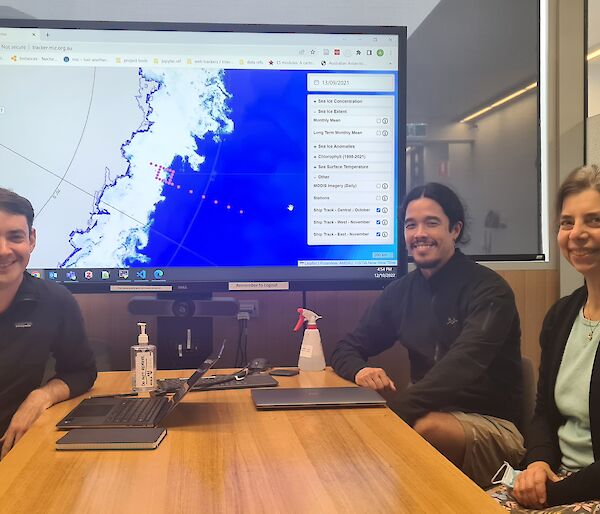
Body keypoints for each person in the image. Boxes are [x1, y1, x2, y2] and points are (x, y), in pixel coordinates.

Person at [331, 182, 525, 487]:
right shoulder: (401, 292)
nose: (419, 233)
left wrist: (391, 417)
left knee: (424, 429)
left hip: (495, 428)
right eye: (411, 225)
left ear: (455, 230)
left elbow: (459, 368)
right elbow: (345, 347)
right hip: (425, 413)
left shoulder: (489, 291)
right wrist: (360, 369)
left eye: (431, 223)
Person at [507, 165, 600, 509]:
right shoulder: (562, 315)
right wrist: (539, 465)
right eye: (567, 222)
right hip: (557, 479)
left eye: (594, 221)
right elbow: (544, 412)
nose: (577, 233)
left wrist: (550, 493)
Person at [0, 188, 97, 459]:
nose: (3, 250)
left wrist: (41, 396)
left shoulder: (54, 300)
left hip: (16, 456)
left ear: (31, 240)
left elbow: (82, 371)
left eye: (15, 237)